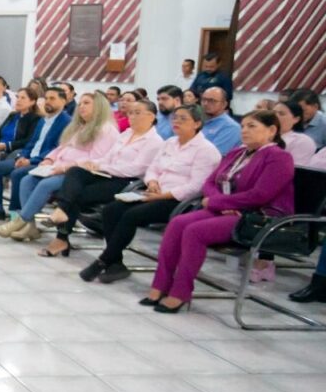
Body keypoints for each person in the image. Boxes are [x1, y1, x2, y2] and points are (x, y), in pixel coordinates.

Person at [144, 110, 295, 313]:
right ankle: (160, 285)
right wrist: (220, 202)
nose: (244, 131)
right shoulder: (237, 153)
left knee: (195, 231)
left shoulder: (279, 157)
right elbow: (210, 182)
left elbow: (260, 195)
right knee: (178, 223)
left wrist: (220, 203)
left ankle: (180, 292)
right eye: (243, 126)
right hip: (226, 209)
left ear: (271, 130)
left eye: (252, 126)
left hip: (257, 217)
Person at [80, 105, 221, 284]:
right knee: (112, 210)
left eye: (183, 119)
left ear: (197, 123)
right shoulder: (170, 143)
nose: (176, 122)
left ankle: (103, 260)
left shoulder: (206, 150)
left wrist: (162, 195)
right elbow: (152, 169)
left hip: (178, 201)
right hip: (152, 192)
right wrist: (152, 182)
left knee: (131, 215)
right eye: (175, 118)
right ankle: (116, 263)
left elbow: (195, 187)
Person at [39, 99, 165, 257]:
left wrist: (103, 167)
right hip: (107, 174)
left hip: (127, 182)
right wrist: (93, 163)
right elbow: (108, 157)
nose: (132, 116)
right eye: (130, 112)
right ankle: (62, 212)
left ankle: (61, 235)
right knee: (76, 171)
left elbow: (137, 169)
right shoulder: (126, 134)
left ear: (151, 116)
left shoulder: (155, 142)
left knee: (76, 194)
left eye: (137, 113)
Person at [0, 93, 119, 242]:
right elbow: (61, 148)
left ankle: (20, 221)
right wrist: (48, 159)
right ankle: (30, 227)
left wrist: (63, 167)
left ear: (99, 107)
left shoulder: (106, 130)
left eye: (86, 103)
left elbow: (95, 160)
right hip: (58, 167)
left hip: (78, 174)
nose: (81, 107)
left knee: (45, 184)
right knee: (27, 180)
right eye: (80, 104)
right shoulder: (80, 126)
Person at [0, 87, 72, 220]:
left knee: (18, 174)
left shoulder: (67, 122)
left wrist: (32, 161)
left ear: (63, 101)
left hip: (45, 162)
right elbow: (31, 142)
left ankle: (16, 214)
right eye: (46, 98)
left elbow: (56, 148)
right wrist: (23, 156)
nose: (48, 102)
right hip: (29, 157)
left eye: (52, 98)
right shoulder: (43, 120)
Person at [199, 87, 241, 154]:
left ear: (224, 104)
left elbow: (213, 155)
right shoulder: (197, 121)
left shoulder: (231, 127)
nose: (205, 103)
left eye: (212, 101)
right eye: (204, 99)